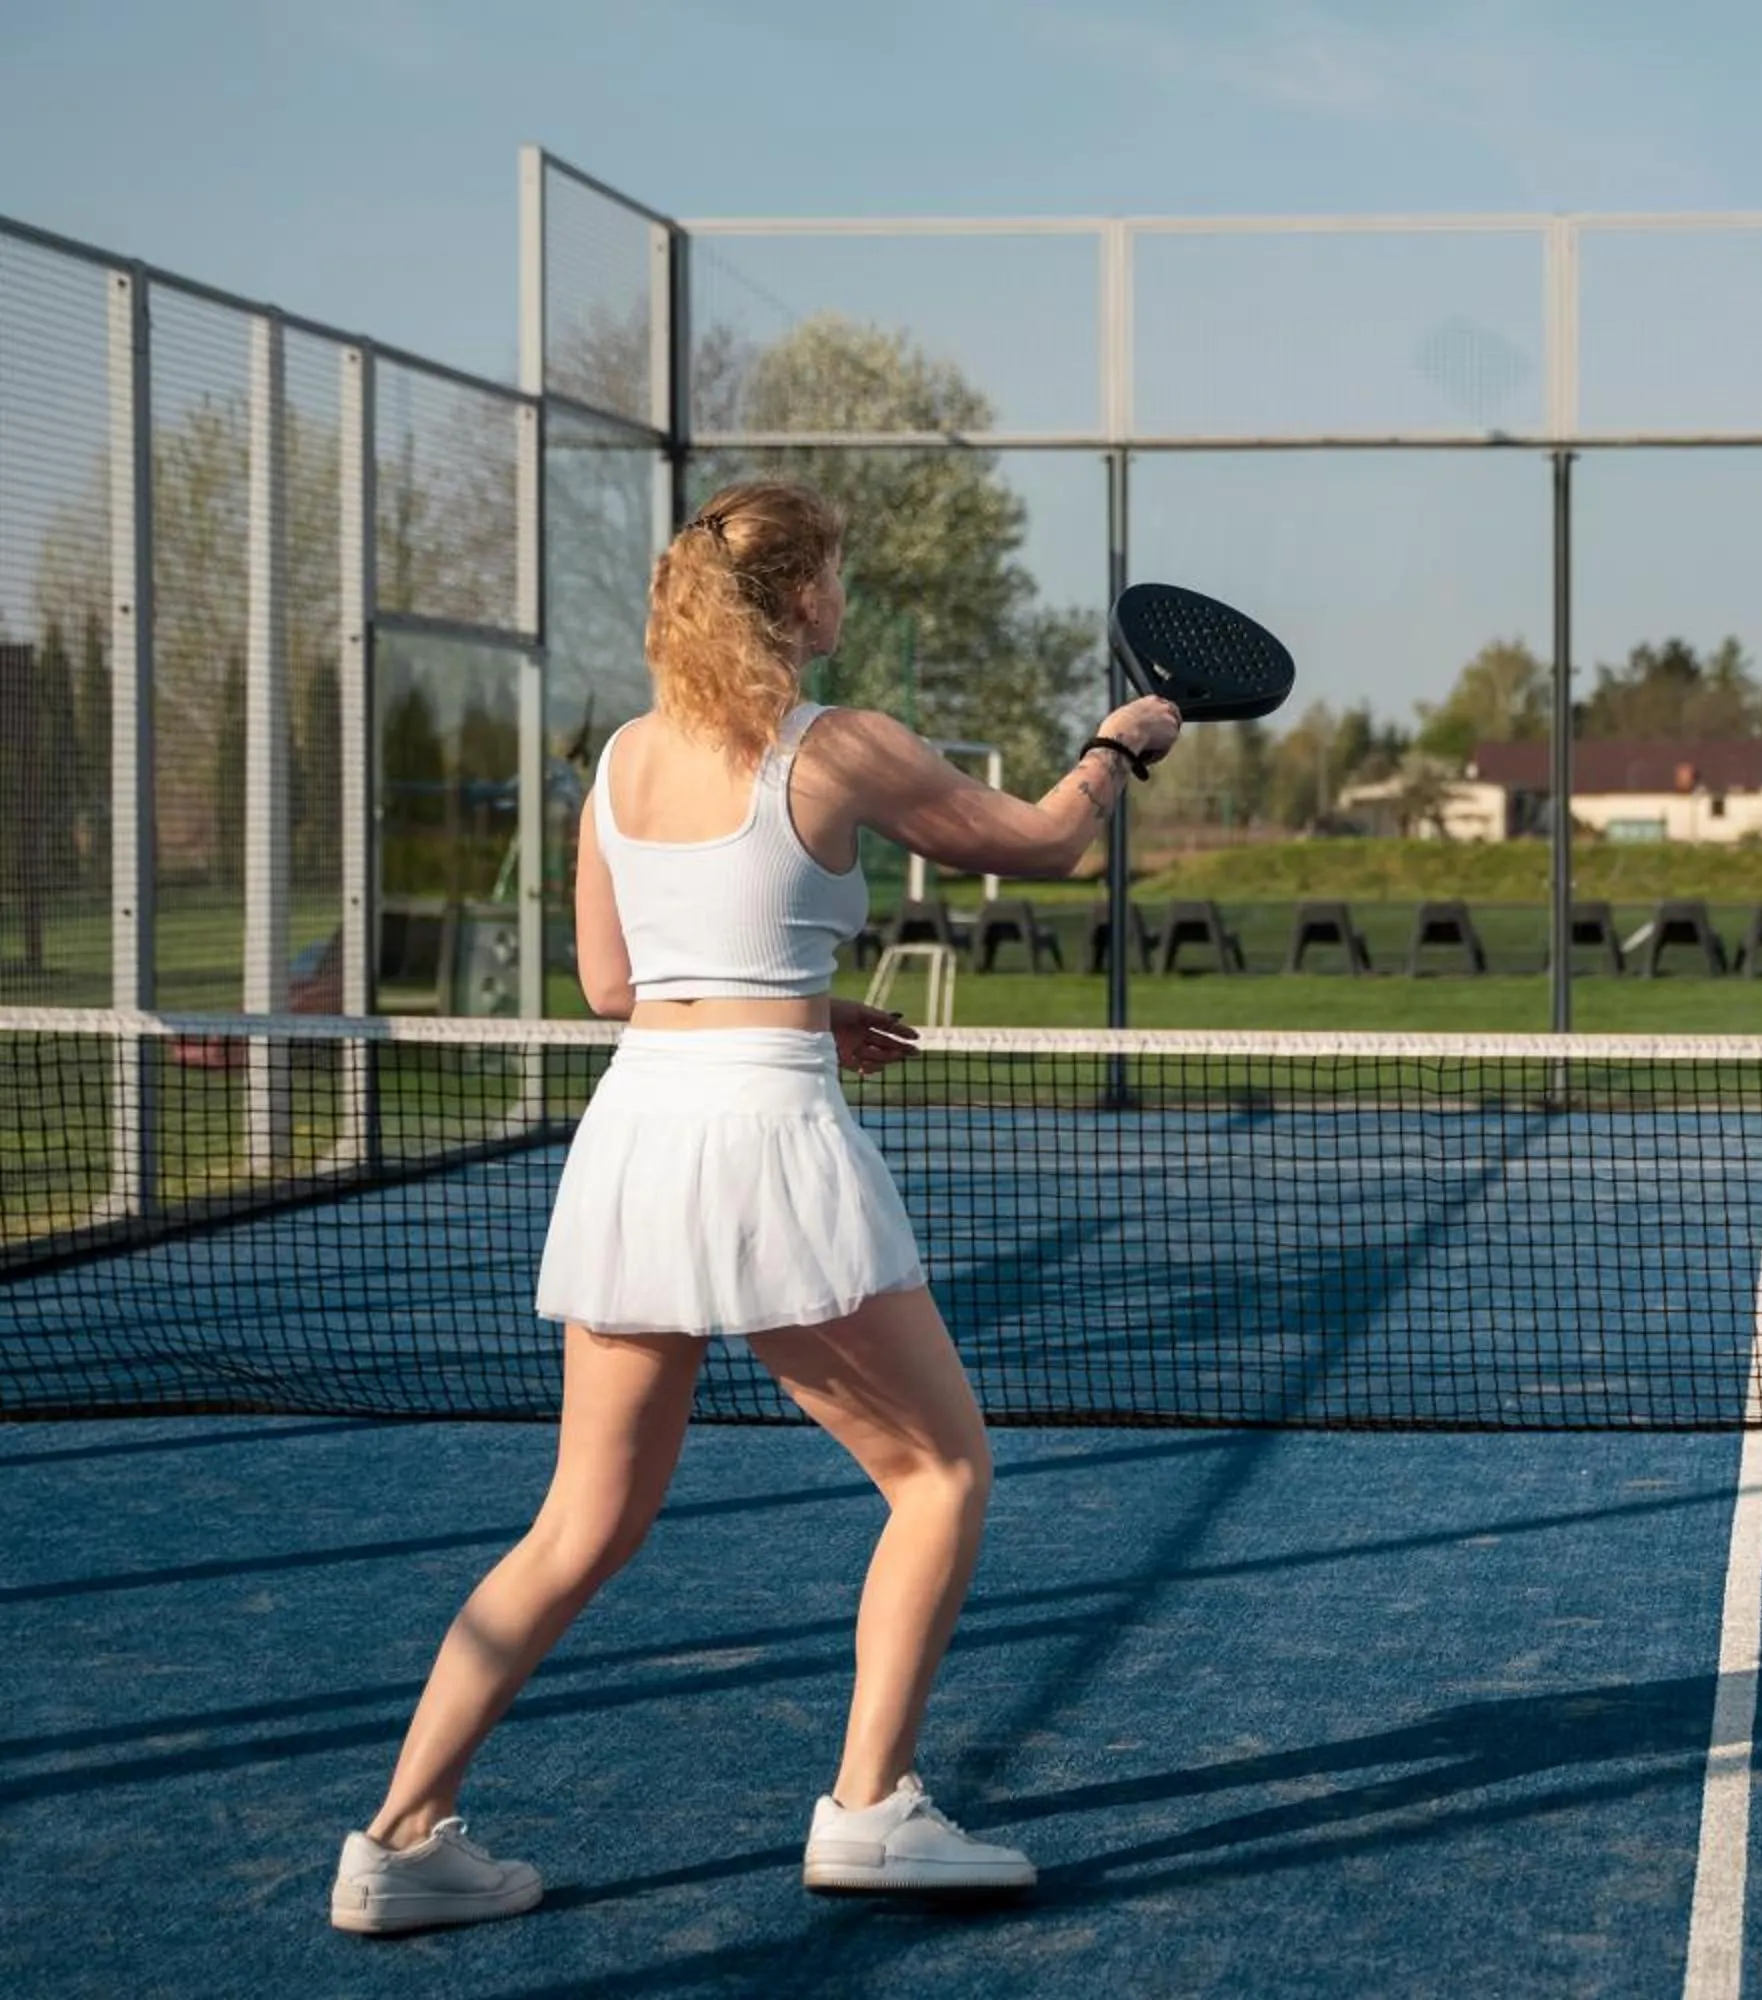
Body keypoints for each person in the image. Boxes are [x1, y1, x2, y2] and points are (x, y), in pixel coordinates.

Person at [329, 480, 1182, 1935]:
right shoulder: (836, 746)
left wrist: (800, 996)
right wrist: (1120, 743)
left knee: (580, 1522)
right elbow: (1044, 844)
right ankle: (869, 1812)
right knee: (940, 1475)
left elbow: (616, 987)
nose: (843, 601)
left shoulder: (618, 761)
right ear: (798, 602)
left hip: (637, 1133)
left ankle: (397, 1841)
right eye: (836, 577)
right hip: (759, 1136)